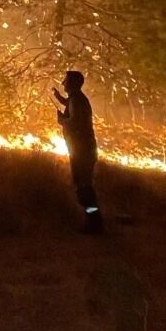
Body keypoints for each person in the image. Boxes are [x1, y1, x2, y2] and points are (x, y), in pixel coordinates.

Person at [54, 70, 103, 233]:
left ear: (73, 83)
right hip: (83, 150)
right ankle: (92, 220)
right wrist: (58, 97)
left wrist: (62, 120)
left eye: (65, 80)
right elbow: (69, 104)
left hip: (82, 151)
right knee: (84, 186)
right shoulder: (77, 98)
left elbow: (74, 121)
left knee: (84, 187)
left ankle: (94, 222)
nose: (63, 83)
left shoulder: (77, 100)